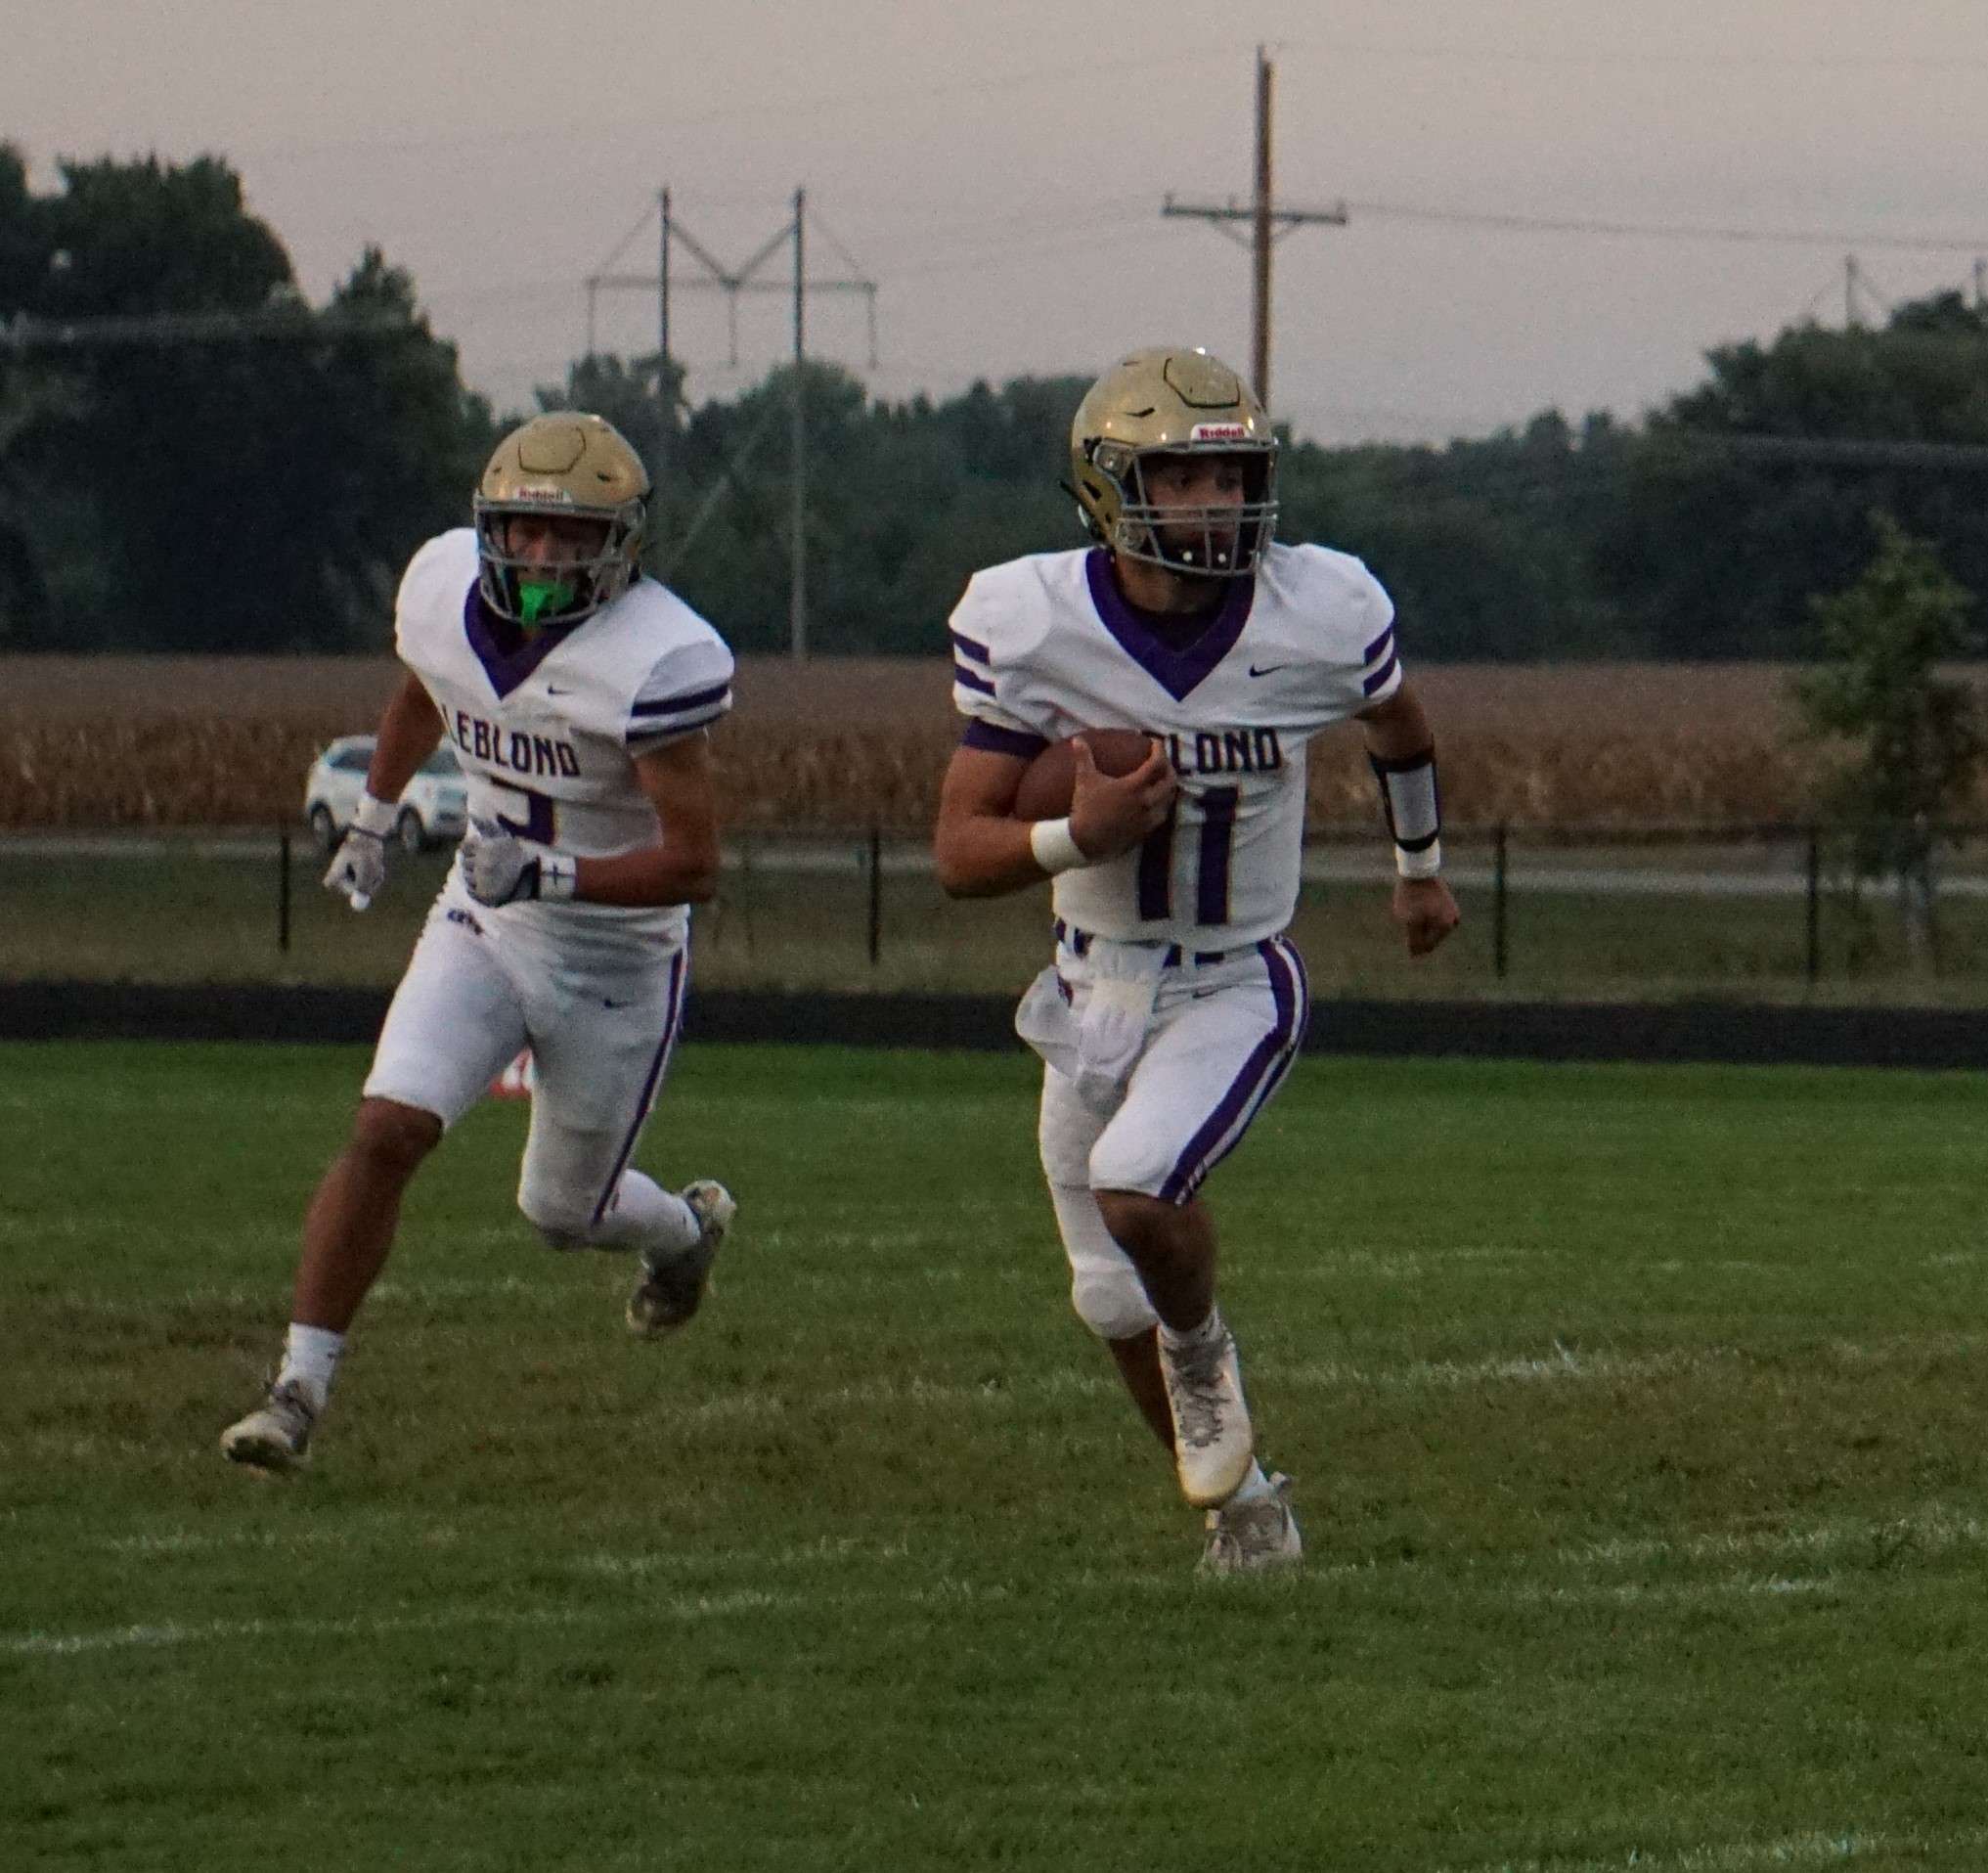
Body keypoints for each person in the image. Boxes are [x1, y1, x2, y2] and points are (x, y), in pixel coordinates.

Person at [931, 347, 1460, 1572]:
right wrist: (1080, 831)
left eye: (1230, 478)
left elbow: (1398, 724)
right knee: (1107, 1294)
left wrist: (1417, 865)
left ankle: (1203, 1354)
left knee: (1136, 1189)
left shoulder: (1318, 608)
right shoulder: (1033, 618)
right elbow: (959, 851)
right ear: (1112, 487)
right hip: (1086, 983)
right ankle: (1248, 1511)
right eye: (1181, 479)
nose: (1215, 507)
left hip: (1232, 977)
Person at [221, 412, 738, 1473]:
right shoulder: (442, 593)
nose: (541, 557)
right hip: (484, 921)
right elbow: (425, 687)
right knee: (386, 1129)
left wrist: (553, 870)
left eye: (570, 537)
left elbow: (694, 863)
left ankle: (681, 1233)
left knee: (560, 1212)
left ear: (622, 547)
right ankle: (297, 1389)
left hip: (615, 960)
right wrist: (374, 814)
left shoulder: (656, 658)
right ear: (487, 527)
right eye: (523, 531)